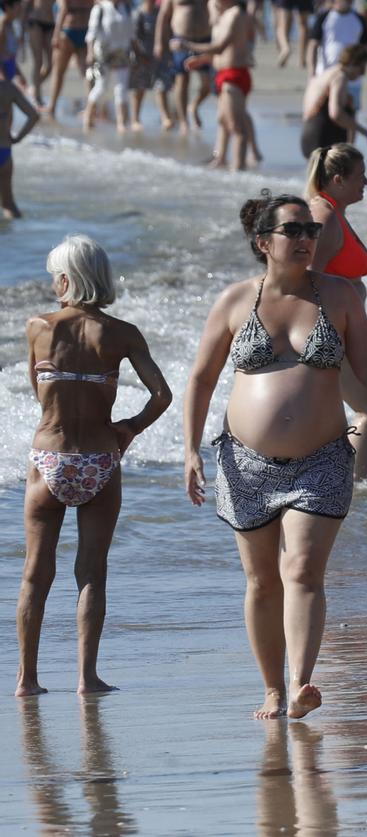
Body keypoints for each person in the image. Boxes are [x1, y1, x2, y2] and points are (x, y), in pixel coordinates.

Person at [182, 193, 367, 719]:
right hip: (246, 463)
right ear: (264, 242)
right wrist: (189, 450)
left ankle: (302, 682)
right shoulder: (236, 301)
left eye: (311, 230)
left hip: (321, 458)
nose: (307, 239)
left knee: (302, 569)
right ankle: (272, 688)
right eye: (294, 231)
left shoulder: (340, 296)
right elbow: (202, 378)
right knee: (261, 582)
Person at [17, 237, 174, 697]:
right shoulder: (122, 333)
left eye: (54, 275)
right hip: (100, 457)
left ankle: (27, 680)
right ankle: (87, 678)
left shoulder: (38, 327)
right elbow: (161, 395)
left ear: (65, 280)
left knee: (34, 571)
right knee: (91, 571)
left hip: (51, 457)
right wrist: (128, 428)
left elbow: (38, 391)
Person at [301, 143, 367, 481]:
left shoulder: (333, 209)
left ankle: (342, 481)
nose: (366, 182)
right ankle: (350, 486)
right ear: (338, 179)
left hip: (344, 331)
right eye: (361, 176)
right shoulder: (323, 216)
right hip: (330, 333)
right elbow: (308, 280)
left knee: (362, 409)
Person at [191, 0, 259, 171]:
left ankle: (238, 170)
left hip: (234, 75)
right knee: (222, 121)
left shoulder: (236, 14)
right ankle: (220, 160)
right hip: (223, 73)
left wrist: (187, 45)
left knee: (236, 128)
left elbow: (221, 47)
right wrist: (201, 59)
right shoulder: (223, 15)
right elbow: (221, 52)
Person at [81, 0, 138, 134]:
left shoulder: (127, 8)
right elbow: (91, 33)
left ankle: (121, 123)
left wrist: (139, 52)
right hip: (104, 53)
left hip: (122, 53)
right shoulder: (100, 8)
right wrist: (90, 53)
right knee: (101, 87)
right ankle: (88, 116)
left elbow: (131, 34)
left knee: (122, 88)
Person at [300, 45, 367, 158]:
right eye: (362, 68)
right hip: (321, 139)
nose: (362, 74)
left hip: (308, 136)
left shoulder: (325, 75)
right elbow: (335, 113)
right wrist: (362, 130)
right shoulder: (340, 77)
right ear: (353, 63)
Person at [1, 68, 42, 218]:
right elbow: (34, 115)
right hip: (4, 151)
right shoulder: (8, 88)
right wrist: (18, 138)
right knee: (9, 205)